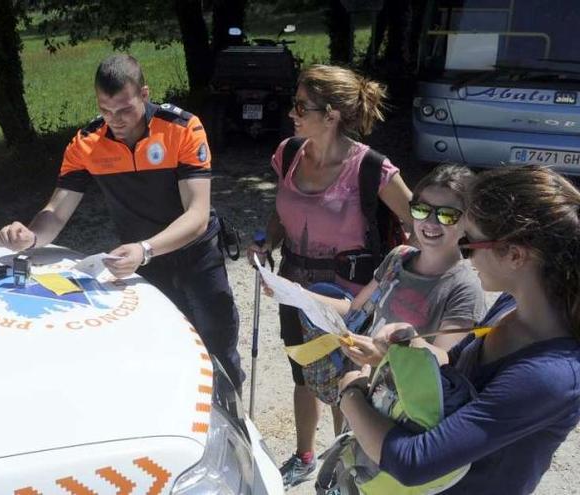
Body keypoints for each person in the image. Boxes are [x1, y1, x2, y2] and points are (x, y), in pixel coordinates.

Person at [0, 54, 243, 387]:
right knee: (162, 348)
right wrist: (31, 237)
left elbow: (196, 215)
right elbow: (56, 212)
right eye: (105, 110)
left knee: (219, 349)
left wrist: (145, 249)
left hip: (196, 255)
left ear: (144, 94)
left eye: (125, 109)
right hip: (144, 263)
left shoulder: (182, 128)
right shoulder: (87, 143)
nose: (116, 120)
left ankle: (234, 424)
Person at [337, 165, 580, 494]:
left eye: (471, 243)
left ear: (514, 255)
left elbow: (414, 463)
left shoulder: (550, 375)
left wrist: (350, 394)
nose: (464, 254)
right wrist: (403, 350)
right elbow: (455, 372)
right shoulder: (511, 305)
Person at [246, 64, 413, 487]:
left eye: (302, 106)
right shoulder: (288, 154)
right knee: (302, 372)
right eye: (294, 104)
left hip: (348, 298)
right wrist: (266, 241)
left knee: (348, 381)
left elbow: (421, 222)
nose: (292, 113)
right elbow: (282, 210)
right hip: (292, 287)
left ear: (332, 114)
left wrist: (406, 275)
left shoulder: (372, 168)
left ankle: (348, 461)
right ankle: (304, 455)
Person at [312, 164, 486, 366]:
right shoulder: (399, 257)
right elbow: (354, 309)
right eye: (422, 210)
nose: (430, 222)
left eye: (446, 214)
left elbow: (445, 362)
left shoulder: (465, 288)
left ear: (469, 222)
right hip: (362, 384)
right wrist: (294, 293)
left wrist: (387, 357)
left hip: (402, 394)